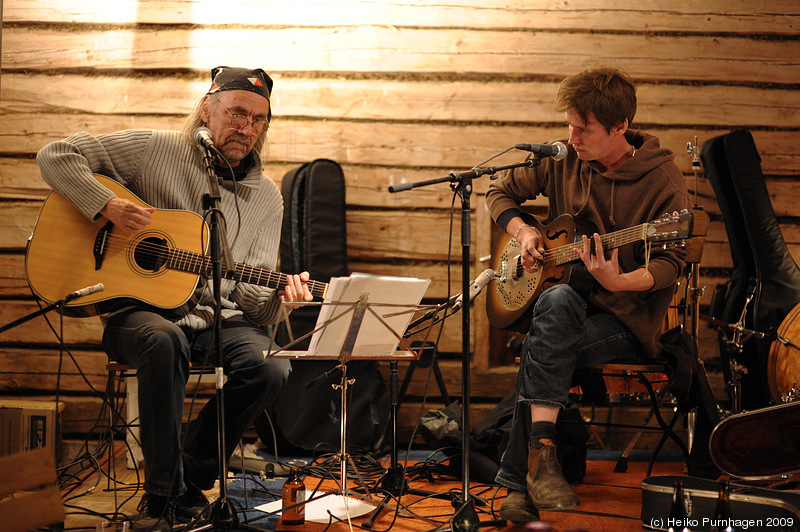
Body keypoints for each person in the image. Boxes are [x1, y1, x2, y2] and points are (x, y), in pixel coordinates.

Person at [36, 66, 313, 532]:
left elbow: (253, 299)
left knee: (271, 363)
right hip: (137, 314)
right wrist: (104, 205)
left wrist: (282, 300)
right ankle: (162, 498)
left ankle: (190, 476)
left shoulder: (267, 196)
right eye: (237, 113)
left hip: (217, 319)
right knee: (164, 340)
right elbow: (55, 154)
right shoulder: (155, 148)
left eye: (259, 120)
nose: (246, 128)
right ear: (208, 108)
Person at [485, 67, 692, 524]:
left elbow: (669, 263)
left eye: (584, 128)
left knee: (543, 345)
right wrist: (522, 232)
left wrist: (620, 281)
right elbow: (498, 191)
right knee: (556, 306)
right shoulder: (563, 157)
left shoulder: (663, 183)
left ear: (620, 127)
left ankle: (517, 485)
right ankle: (539, 461)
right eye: (569, 125)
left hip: (623, 318)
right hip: (563, 304)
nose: (572, 137)